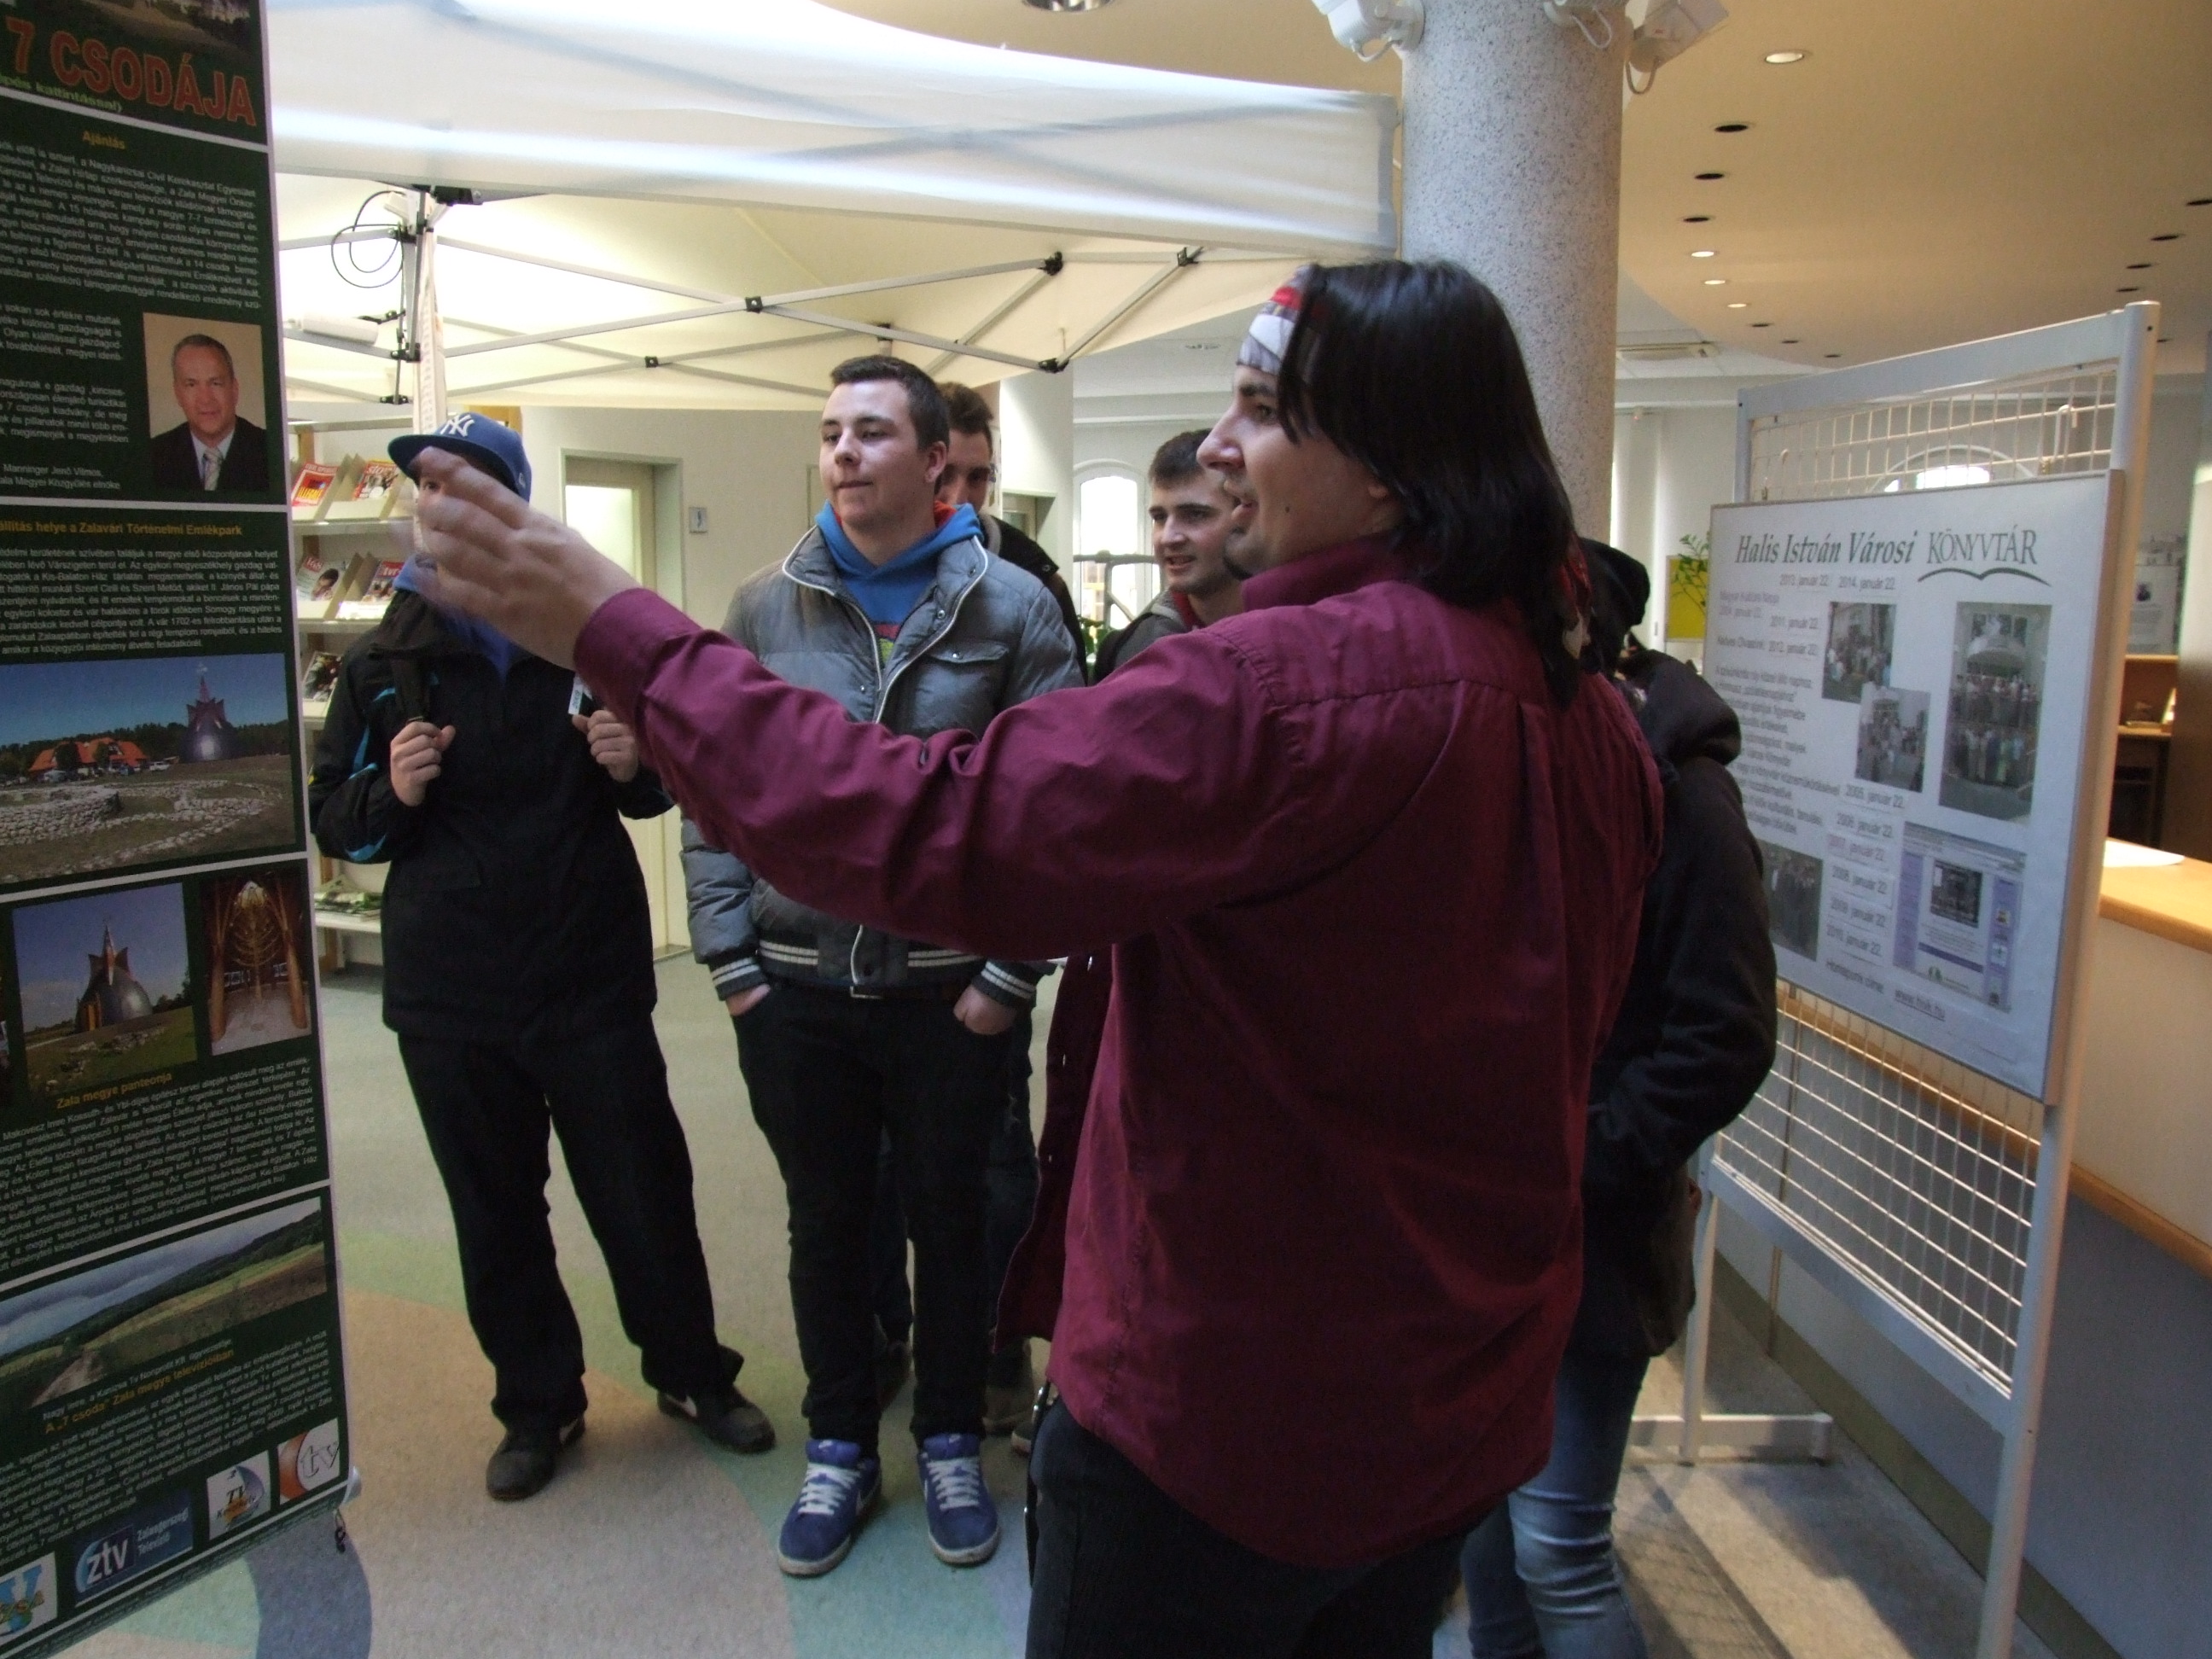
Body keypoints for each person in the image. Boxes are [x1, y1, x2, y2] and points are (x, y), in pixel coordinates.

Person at [407, 259, 1662, 1659]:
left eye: (1261, 408)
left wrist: (617, 627)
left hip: (1231, 1423)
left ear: (1385, 463)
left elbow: (923, 821)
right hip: (1453, 1405)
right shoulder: (1588, 712)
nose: (1220, 447)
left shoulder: (1278, 693)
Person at [309, 412, 773, 1505]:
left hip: (588, 973)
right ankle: (537, 1404)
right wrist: (393, 792)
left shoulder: (586, 645)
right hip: (451, 993)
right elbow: (336, 818)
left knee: (644, 1189)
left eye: (464, 486)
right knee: (495, 1211)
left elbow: (664, 789)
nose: (440, 506)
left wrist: (634, 762)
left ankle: (693, 1374)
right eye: (428, 489)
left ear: (510, 506)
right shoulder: (382, 664)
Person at [679, 356, 1082, 1578]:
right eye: (829, 433)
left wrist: (1006, 979)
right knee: (827, 1227)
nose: (843, 453)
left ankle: (950, 1437)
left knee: (951, 1223)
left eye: (870, 432)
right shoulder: (765, 608)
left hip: (949, 994)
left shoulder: (1013, 610)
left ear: (934, 459)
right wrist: (731, 961)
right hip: (796, 985)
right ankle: (841, 1446)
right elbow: (714, 795)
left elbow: (1056, 813)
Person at [1460, 542, 1777, 1659]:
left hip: (1597, 1231)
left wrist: (1584, 1151)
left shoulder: (1685, 797)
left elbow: (1726, 1033)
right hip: (1501, 1230)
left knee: (1558, 1546)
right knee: (1487, 1527)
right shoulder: (1533, 766)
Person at [938, 382, 1087, 663]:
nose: (960, 500)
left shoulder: (1037, 579)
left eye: (977, 478)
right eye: (944, 475)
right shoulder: (875, 564)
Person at [1092, 428, 1245, 677]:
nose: (1168, 537)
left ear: (1247, 516)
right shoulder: (1129, 655)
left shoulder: (1295, 640)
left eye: (1195, 515)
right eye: (1160, 517)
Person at [149, 335, 269, 492]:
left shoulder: (270, 451)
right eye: (191, 385)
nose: (206, 399)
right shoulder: (153, 456)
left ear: (234, 390)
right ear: (178, 394)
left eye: (215, 383)